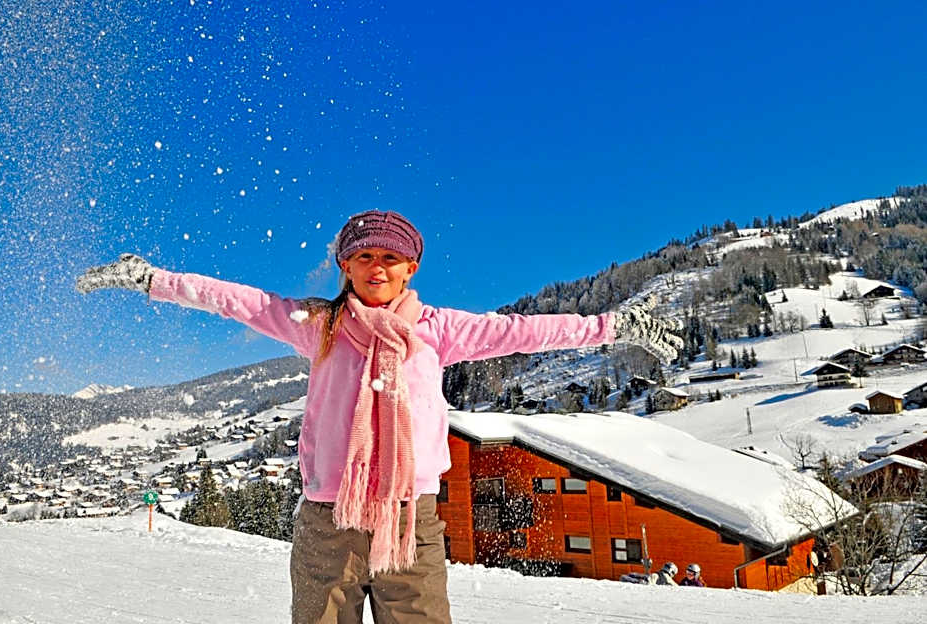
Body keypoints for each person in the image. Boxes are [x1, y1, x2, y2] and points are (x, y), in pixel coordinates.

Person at [76, 210, 684, 624]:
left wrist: (612, 326)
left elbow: (523, 331)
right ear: (345, 265)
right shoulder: (319, 324)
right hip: (328, 520)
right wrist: (152, 279)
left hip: (410, 521)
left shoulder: (437, 329)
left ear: (410, 268)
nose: (377, 267)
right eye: (363, 256)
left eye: (390, 258)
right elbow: (238, 300)